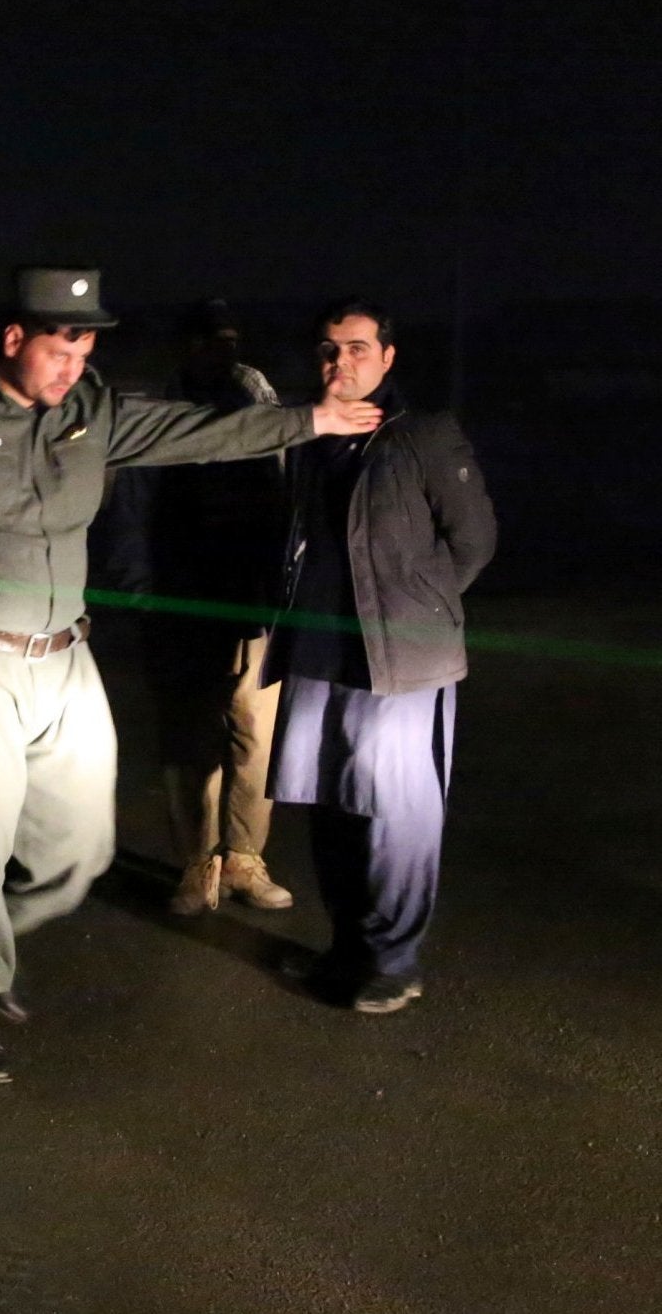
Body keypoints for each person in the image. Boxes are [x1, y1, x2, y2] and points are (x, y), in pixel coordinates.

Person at [0, 267, 383, 1083]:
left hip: (64, 658)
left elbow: (202, 434)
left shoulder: (94, 412)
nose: (74, 361)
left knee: (79, 849)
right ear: (16, 338)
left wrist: (312, 420)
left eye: (87, 342)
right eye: (63, 343)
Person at [265, 300, 495, 1014]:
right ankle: (346, 951)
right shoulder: (312, 433)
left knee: (397, 818)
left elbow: (474, 541)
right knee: (331, 808)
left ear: (388, 357)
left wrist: (417, 613)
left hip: (399, 662)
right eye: (331, 350)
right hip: (317, 652)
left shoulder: (423, 435)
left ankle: (395, 962)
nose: (343, 364)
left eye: (359, 349)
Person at [100, 299, 293, 915]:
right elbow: (130, 509)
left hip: (255, 604)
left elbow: (291, 508)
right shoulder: (157, 417)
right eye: (206, 340)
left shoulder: (267, 415)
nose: (218, 351)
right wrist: (140, 592)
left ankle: (244, 859)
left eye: (228, 339)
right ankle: (196, 864)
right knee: (187, 743)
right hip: (181, 604)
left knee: (255, 739)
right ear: (183, 348)